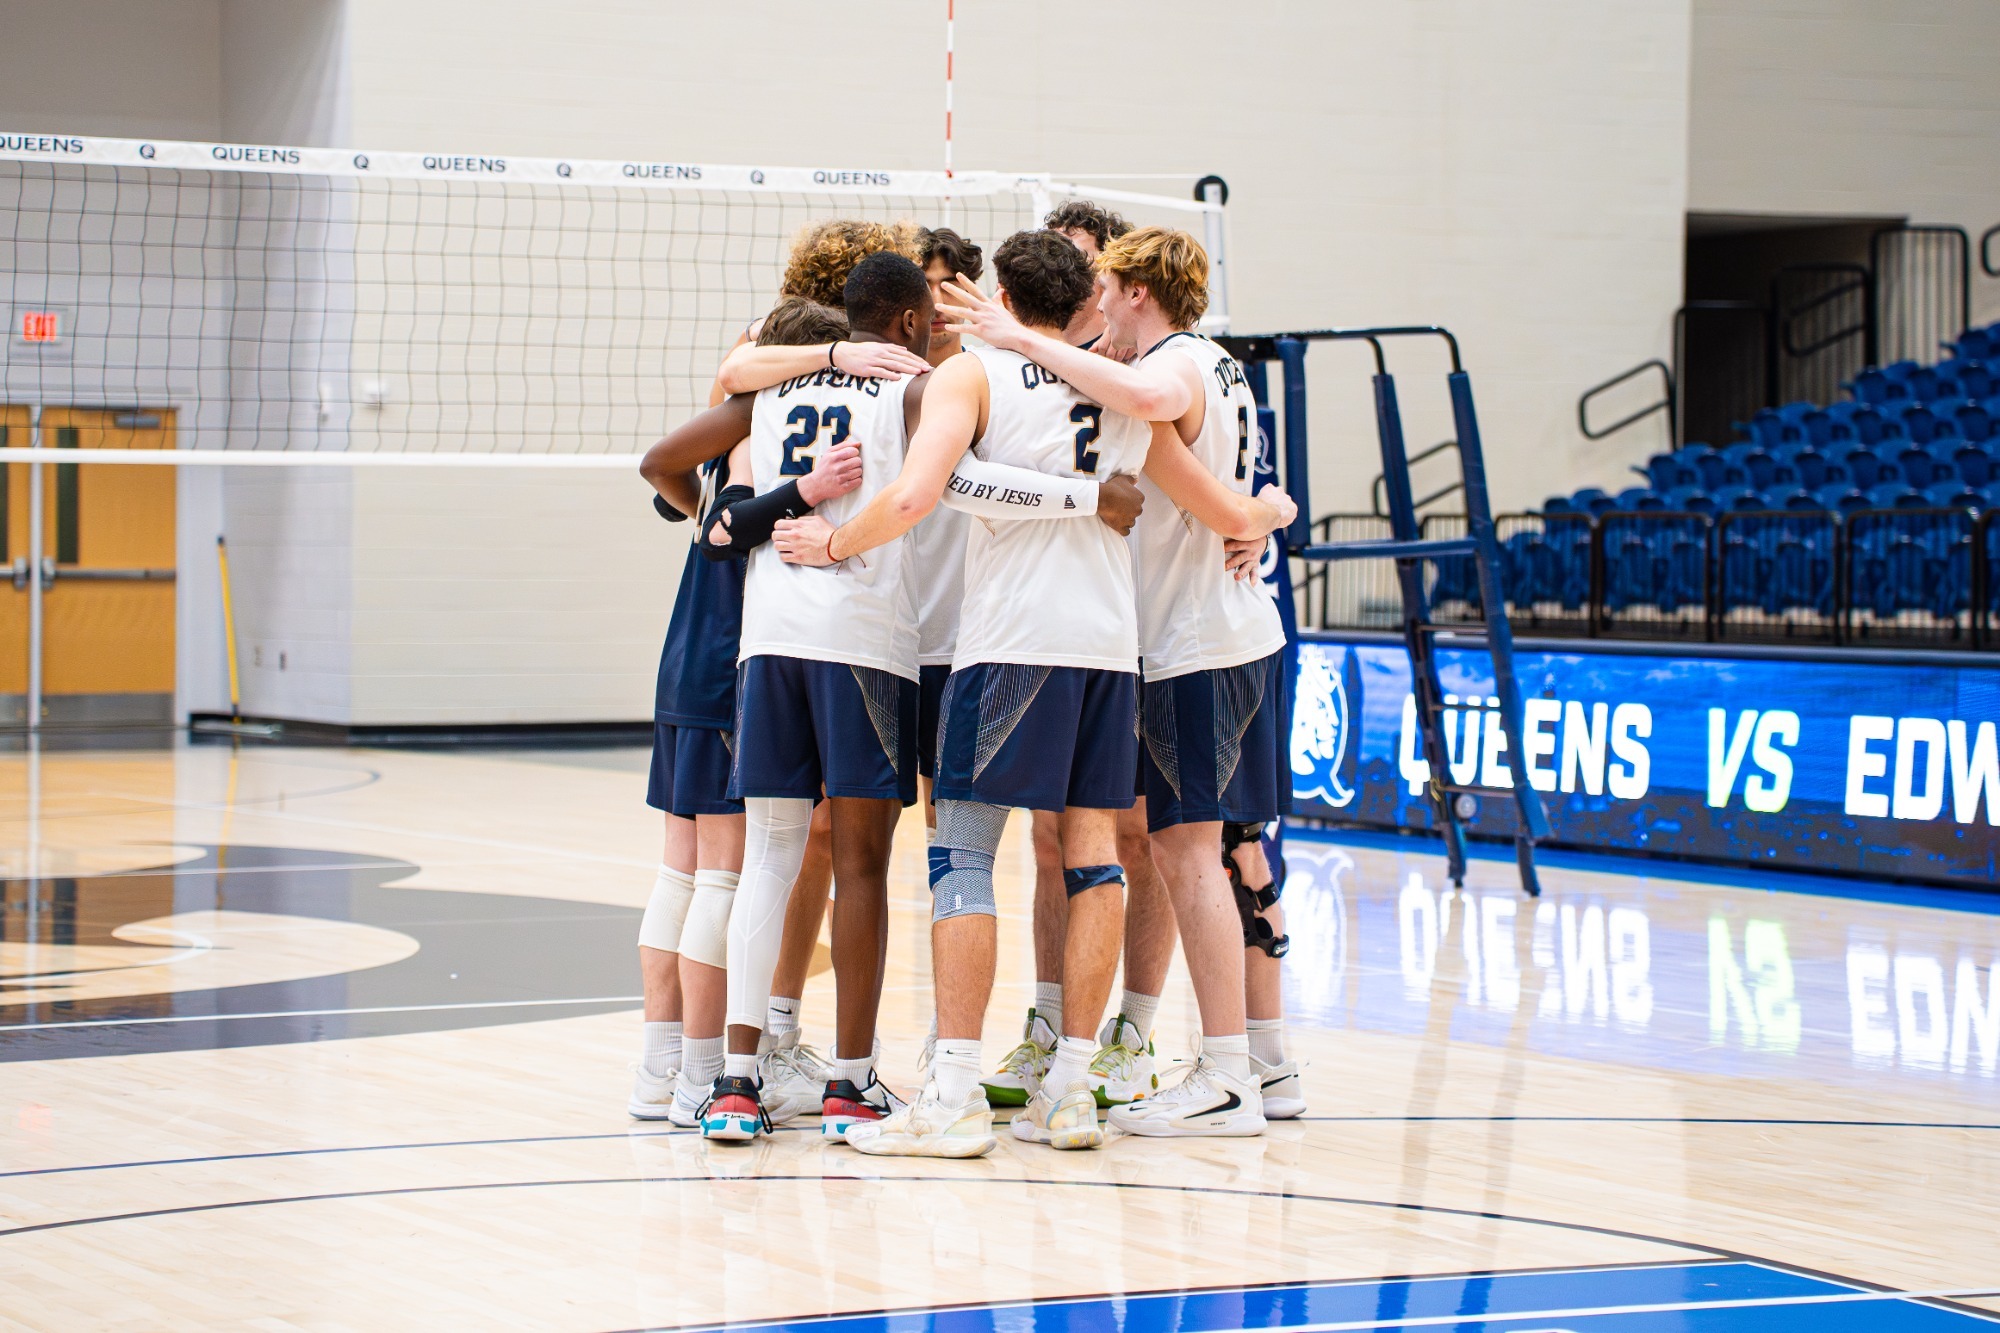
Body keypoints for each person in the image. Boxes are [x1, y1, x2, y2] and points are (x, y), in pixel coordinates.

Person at [780, 231, 1292, 1157]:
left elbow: (909, 499)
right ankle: (1069, 1090)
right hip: (1110, 650)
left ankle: (954, 1090)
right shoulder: (1116, 388)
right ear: (1081, 303)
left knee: (963, 854)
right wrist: (1271, 511)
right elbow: (1215, 498)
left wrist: (832, 544)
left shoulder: (974, 376)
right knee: (1093, 856)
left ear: (1001, 299)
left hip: (1011, 643)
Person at [940, 226, 1293, 1137]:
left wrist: (1019, 340)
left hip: (1191, 641)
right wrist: (1271, 509)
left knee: (1185, 852)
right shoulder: (1219, 367)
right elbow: (1241, 495)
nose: (1098, 305)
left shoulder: (1161, 374)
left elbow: (1155, 426)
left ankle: (1219, 1070)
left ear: (1136, 290)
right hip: (1229, 633)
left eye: (1108, 286)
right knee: (1197, 850)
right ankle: (1257, 1060)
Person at [635, 298, 861, 1130]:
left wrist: (704, 510)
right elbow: (727, 524)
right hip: (733, 659)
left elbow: (665, 472)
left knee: (681, 870)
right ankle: (701, 1074)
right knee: (724, 876)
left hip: (682, 655)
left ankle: (659, 1065)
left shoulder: (737, 423)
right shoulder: (771, 425)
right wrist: (777, 499)